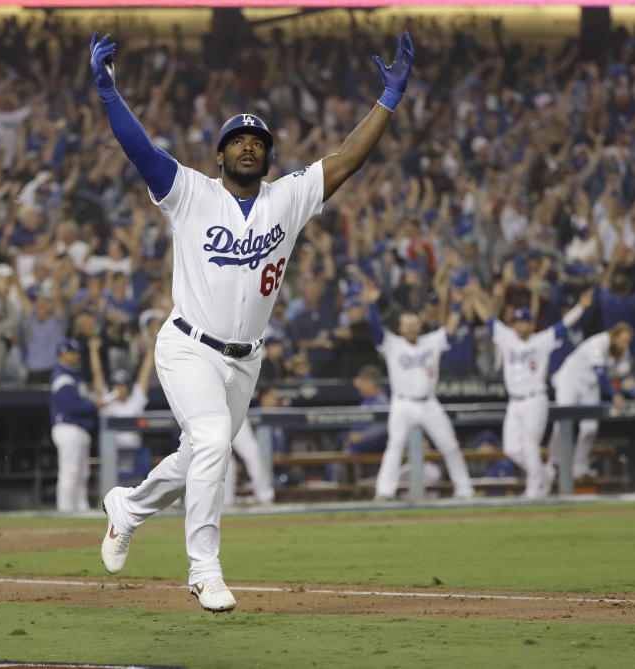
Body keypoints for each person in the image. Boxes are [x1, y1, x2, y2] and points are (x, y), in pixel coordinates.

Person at [91, 30, 414, 612]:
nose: (247, 146)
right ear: (219, 155)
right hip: (188, 345)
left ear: (269, 155)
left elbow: (346, 160)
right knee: (214, 439)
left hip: (246, 360)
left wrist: (386, 102)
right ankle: (203, 570)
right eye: (236, 140)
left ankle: (129, 508)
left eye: (256, 141)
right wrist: (109, 94)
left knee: (199, 453)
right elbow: (140, 150)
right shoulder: (189, 192)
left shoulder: (287, 198)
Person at [469, 288, 594, 498]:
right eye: (517, 322)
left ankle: (534, 488)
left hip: (535, 399)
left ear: (531, 323)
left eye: (524, 322)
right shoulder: (507, 337)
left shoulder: (541, 340)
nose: (520, 325)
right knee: (511, 449)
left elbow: (564, 326)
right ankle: (544, 473)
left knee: (529, 445)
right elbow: (487, 319)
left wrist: (580, 307)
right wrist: (471, 296)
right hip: (514, 402)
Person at [362, 281, 475, 500]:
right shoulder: (392, 343)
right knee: (394, 446)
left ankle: (465, 489)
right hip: (402, 403)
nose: (411, 327)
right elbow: (375, 330)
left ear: (420, 324)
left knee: (450, 445)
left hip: (428, 403)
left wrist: (456, 306)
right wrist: (371, 306)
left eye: (414, 323)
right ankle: (384, 491)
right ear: (400, 328)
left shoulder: (431, 342)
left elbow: (450, 332)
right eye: (407, 324)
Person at [548, 321, 635, 479]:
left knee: (590, 427)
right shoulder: (599, 342)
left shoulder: (623, 350)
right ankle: (553, 462)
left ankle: (579, 466)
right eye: (621, 340)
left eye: (627, 341)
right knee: (562, 424)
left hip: (590, 385)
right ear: (613, 335)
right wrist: (615, 394)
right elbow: (600, 373)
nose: (623, 344)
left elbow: (625, 377)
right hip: (570, 380)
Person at [88, 328, 157, 485]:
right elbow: (97, 373)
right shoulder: (107, 402)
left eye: (122, 385)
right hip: (112, 453)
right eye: (115, 385)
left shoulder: (135, 400)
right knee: (112, 488)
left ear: (128, 387)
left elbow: (145, 373)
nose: (118, 388)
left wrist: (151, 349)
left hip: (135, 453)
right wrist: (93, 351)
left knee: (136, 488)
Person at [50, 338, 101, 512]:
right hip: (68, 427)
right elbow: (70, 407)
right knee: (70, 471)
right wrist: (94, 404)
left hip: (78, 429)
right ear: (63, 354)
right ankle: (65, 510)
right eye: (72, 352)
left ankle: (81, 508)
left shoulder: (74, 374)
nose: (76, 355)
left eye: (77, 352)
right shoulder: (62, 376)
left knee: (82, 473)